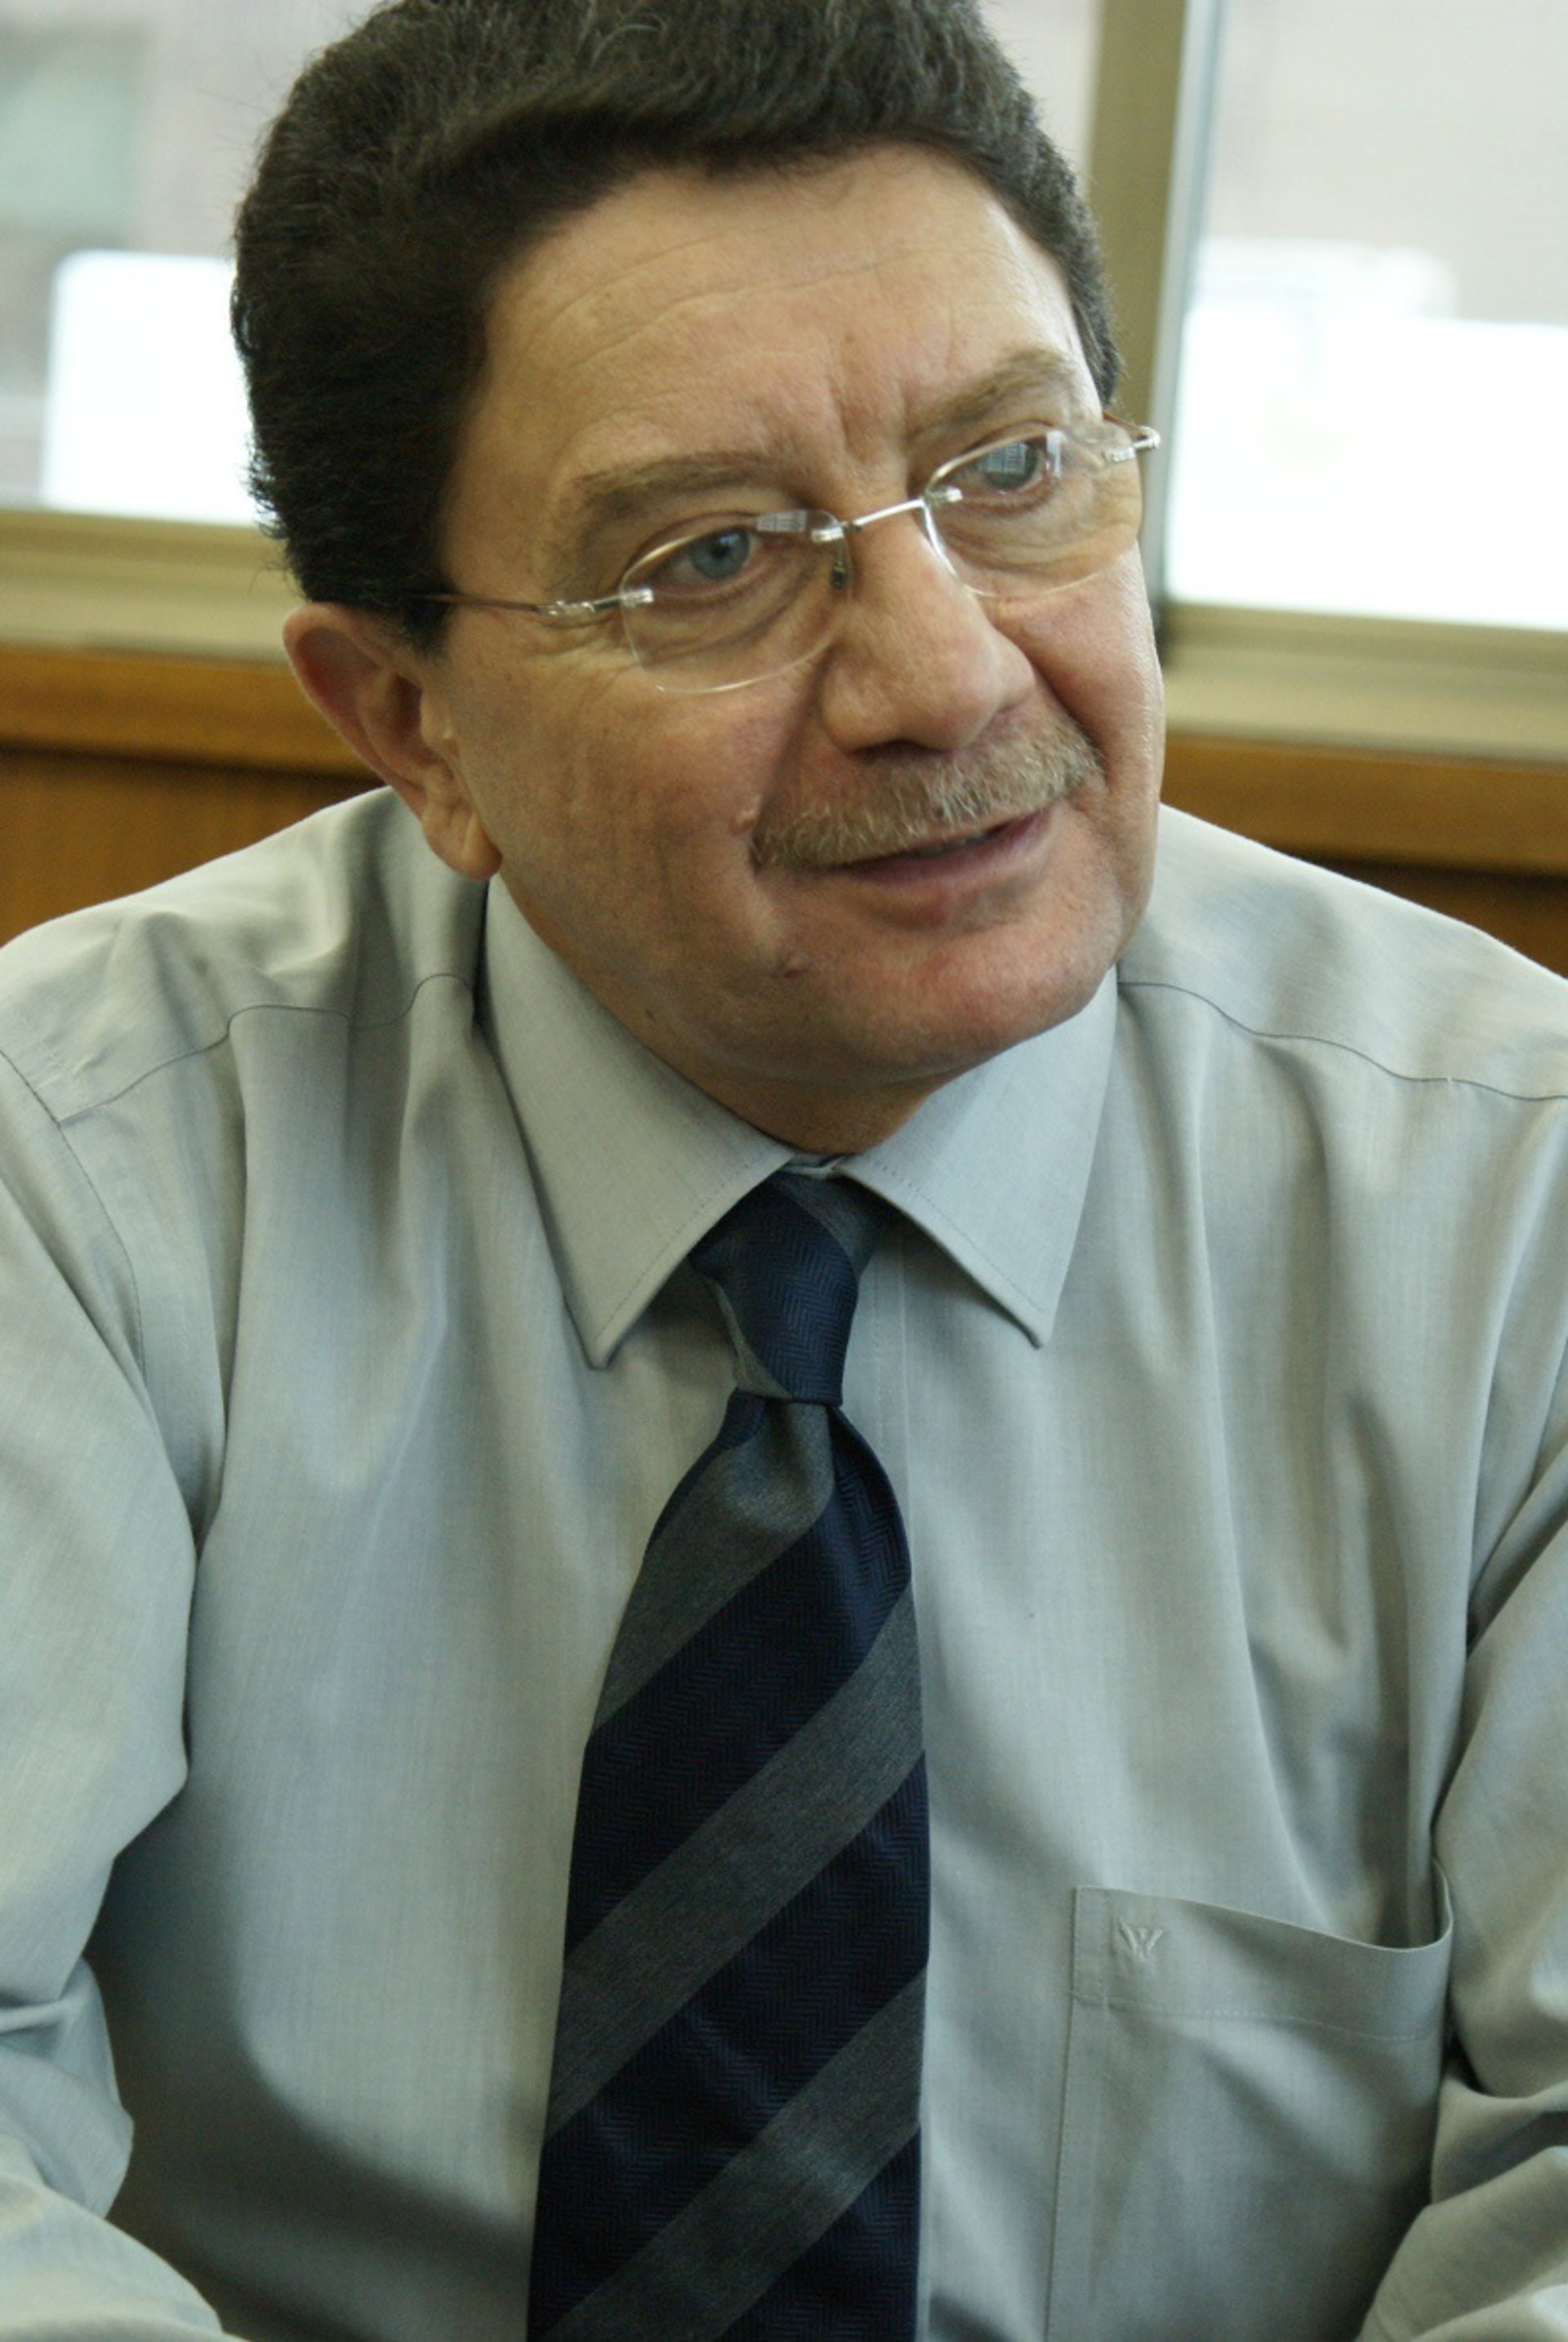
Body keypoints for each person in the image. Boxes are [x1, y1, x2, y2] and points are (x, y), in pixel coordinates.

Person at [2, 0, 1566, 2334]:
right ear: (413, 723)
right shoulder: (76, 1176)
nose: (948, 675)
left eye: (1014, 470)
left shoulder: (1511, 1206)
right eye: (715, 557)